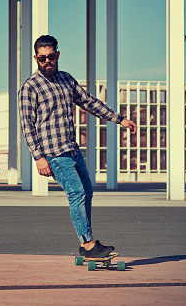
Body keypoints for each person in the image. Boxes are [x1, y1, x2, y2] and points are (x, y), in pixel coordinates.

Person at [18, 35, 137, 258]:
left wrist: (119, 119)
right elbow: (27, 125)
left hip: (72, 150)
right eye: (42, 58)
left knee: (87, 192)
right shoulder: (30, 88)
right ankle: (89, 244)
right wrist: (38, 157)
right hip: (53, 153)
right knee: (76, 192)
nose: (47, 61)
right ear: (35, 58)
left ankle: (85, 245)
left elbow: (89, 102)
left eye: (51, 56)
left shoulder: (66, 79)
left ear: (57, 55)